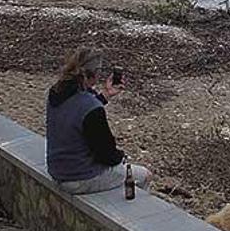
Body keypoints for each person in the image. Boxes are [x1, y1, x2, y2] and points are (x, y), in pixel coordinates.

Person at [46, 47, 153, 194]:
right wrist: (121, 157)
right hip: (80, 178)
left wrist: (105, 95)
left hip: (58, 170)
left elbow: (76, 113)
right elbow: (106, 154)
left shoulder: (57, 92)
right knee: (144, 175)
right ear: (95, 74)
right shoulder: (91, 108)